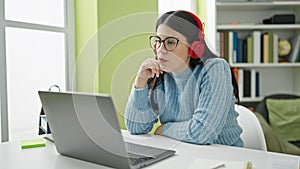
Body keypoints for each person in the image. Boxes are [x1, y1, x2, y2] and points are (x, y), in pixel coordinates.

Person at [125, 10, 243, 147]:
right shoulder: (162, 73)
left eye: (170, 42)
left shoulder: (214, 69)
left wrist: (164, 129)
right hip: (184, 153)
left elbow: (202, 133)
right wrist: (140, 82)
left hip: (227, 157)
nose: (160, 50)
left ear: (194, 48)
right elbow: (136, 128)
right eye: (158, 41)